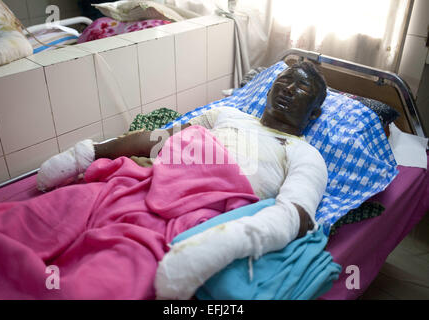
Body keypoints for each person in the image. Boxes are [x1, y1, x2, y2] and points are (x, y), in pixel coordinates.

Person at [36, 61, 329, 299]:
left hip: (203, 216)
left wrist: (225, 242)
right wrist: (88, 153)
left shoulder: (305, 153)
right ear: (268, 90)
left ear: (314, 113)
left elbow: (296, 214)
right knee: (59, 210)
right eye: (286, 79)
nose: (289, 88)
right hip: (149, 182)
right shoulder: (227, 114)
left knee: (112, 273)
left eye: (302, 86)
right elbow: (159, 140)